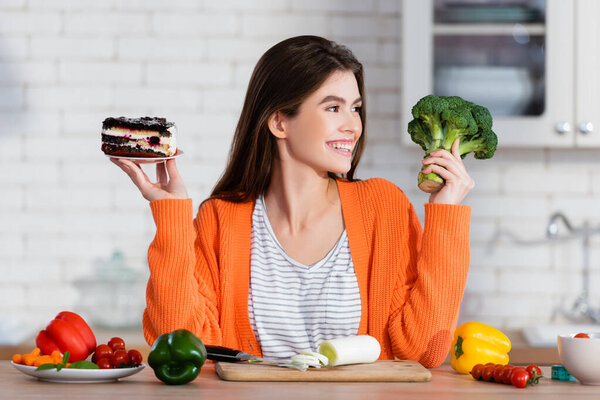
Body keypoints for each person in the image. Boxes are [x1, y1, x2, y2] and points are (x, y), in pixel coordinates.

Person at [111, 35, 473, 368]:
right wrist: (172, 215)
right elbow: (179, 347)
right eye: (333, 108)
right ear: (279, 121)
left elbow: (424, 350)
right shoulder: (222, 219)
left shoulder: (383, 207)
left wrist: (447, 212)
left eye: (356, 108)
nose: (353, 125)